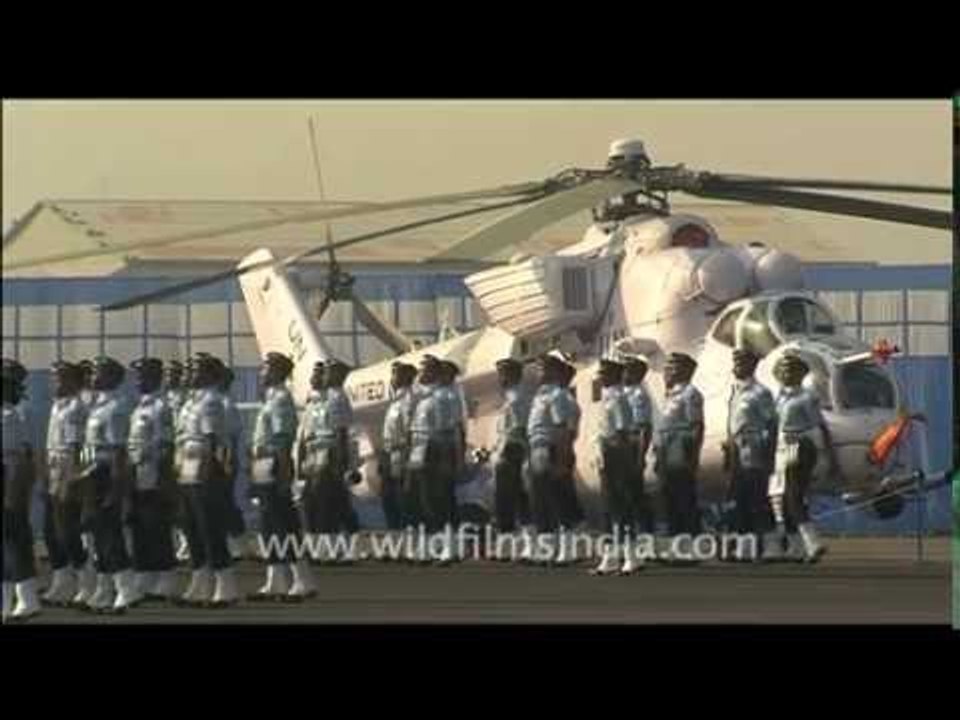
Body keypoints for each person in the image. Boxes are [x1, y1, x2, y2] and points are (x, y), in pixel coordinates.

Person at [175, 353, 238, 607]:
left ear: (210, 375)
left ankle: (226, 585)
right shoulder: (191, 401)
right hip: (187, 469)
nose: (189, 374)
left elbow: (212, 441)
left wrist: (207, 474)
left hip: (204, 471)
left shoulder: (211, 401)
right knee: (191, 528)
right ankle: (200, 581)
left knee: (210, 529)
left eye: (196, 370)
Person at [79, 356, 140, 612]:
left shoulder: (117, 407)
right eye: (93, 372)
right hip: (93, 474)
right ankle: (104, 588)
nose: (93, 376)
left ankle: (126, 588)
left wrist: (116, 488)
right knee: (97, 534)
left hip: (106, 475)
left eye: (99, 372)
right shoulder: (97, 405)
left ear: (114, 378)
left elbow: (118, 452)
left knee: (110, 533)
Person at [768, 352, 839, 563]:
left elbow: (821, 426)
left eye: (792, 369)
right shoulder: (779, 398)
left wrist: (830, 455)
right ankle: (796, 547)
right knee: (785, 497)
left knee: (793, 494)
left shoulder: (807, 398)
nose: (786, 373)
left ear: (802, 373)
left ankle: (812, 542)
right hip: (783, 447)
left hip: (799, 444)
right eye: (783, 369)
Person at [296, 358, 357, 577]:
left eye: (324, 373)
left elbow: (341, 434)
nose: (319, 377)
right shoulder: (316, 401)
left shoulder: (337, 398)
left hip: (328, 456)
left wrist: (340, 464)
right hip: (314, 457)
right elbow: (305, 436)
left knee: (328, 506)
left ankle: (333, 550)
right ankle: (321, 549)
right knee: (315, 505)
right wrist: (301, 463)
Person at [248, 352, 301, 601]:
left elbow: (282, 441)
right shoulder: (270, 399)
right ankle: (275, 580)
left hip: (274, 463)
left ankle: (302, 579)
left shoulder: (280, 399)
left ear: (279, 372)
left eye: (266, 368)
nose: (262, 372)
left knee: (283, 523)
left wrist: (283, 475)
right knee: (268, 524)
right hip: (263, 463)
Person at [40, 361, 93, 607]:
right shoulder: (57, 406)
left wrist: (72, 480)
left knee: (68, 531)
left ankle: (86, 581)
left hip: (67, 472)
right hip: (54, 471)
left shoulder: (75, 408)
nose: (55, 382)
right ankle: (62, 579)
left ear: (73, 381)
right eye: (53, 378)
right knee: (50, 531)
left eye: (61, 378)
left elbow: (77, 447)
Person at [126, 358, 178, 600]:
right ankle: (145, 572)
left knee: (157, 527)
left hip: (153, 473)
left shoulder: (161, 407)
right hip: (137, 473)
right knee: (140, 527)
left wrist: (164, 479)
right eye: (136, 376)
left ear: (155, 378)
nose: (137, 380)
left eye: (142, 376)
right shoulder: (139, 408)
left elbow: (166, 446)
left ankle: (166, 575)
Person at [723, 348, 777, 561]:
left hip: (754, 450)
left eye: (741, 363)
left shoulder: (760, 393)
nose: (735, 367)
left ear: (752, 365)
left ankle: (771, 546)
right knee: (740, 500)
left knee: (758, 500)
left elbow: (771, 425)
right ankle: (746, 548)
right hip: (736, 450)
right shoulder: (736, 392)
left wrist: (768, 456)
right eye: (735, 363)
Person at [524, 352, 576, 564]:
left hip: (550, 449)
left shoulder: (557, 396)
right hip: (536, 448)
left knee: (555, 500)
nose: (538, 373)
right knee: (540, 501)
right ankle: (547, 549)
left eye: (542, 369)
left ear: (554, 371)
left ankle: (565, 550)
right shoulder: (540, 396)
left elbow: (562, 430)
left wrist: (562, 460)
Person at [654, 352, 705, 553]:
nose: (667, 372)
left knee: (683, 498)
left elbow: (696, 426)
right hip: (665, 450)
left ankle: (691, 545)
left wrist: (692, 457)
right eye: (667, 368)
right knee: (668, 498)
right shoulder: (670, 395)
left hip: (680, 449)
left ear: (686, 370)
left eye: (672, 368)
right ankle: (675, 545)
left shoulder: (690, 394)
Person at [2, 361, 41, 621]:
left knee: (16, 540)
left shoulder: (13, 415)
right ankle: (5, 602)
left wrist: (15, 491)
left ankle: (28, 599)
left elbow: (21, 457)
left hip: (10, 478)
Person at [591, 358, 636, 575]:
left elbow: (622, 434)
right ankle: (610, 556)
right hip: (606, 454)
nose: (600, 376)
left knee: (621, 507)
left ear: (614, 375)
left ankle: (631, 556)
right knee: (609, 508)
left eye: (604, 373)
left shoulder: (618, 399)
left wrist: (616, 459)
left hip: (616, 456)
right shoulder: (607, 397)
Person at [492, 358, 530, 550]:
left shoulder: (518, 398)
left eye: (504, 373)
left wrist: (515, 455)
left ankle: (509, 540)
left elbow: (521, 428)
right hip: (506, 449)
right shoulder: (509, 397)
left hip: (513, 450)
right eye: (500, 373)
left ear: (516, 374)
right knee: (514, 497)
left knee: (507, 498)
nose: (501, 378)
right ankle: (517, 539)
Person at [405, 355, 441, 563]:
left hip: (431, 451)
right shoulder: (420, 397)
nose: (421, 374)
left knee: (430, 501)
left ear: (435, 372)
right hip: (416, 452)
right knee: (414, 500)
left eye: (425, 369)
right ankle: (422, 545)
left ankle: (433, 547)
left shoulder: (440, 397)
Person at [380, 361, 418, 534]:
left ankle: (410, 536)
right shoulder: (396, 401)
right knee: (390, 499)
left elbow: (411, 431)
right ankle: (397, 535)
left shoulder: (409, 400)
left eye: (395, 374)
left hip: (402, 455)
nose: (392, 378)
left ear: (405, 377)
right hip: (391, 454)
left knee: (404, 500)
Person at [622, 354, 654, 538]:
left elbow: (644, 428)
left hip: (631, 447)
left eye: (628, 369)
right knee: (623, 492)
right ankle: (629, 531)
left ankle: (645, 530)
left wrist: (640, 456)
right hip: (620, 447)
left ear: (638, 373)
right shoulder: (622, 393)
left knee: (634, 492)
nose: (624, 373)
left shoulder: (639, 395)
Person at [219, 365, 247, 560]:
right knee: (223, 502)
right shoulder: (218, 402)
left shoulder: (226, 404)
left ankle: (238, 542)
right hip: (219, 458)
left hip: (224, 458)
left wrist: (229, 462)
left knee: (227, 502)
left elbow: (231, 438)